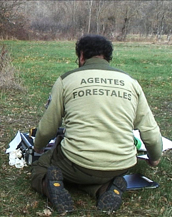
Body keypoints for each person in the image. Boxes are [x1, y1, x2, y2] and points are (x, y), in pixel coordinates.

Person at [31, 34, 163, 213]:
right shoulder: (132, 83)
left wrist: (38, 147)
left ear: (82, 56)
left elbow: (48, 127)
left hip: (77, 163)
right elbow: (151, 132)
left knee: (43, 165)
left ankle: (49, 184)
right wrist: (154, 158)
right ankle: (104, 189)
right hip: (122, 164)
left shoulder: (66, 80)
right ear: (108, 57)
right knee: (95, 174)